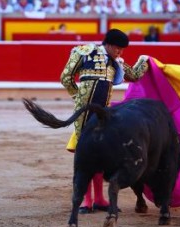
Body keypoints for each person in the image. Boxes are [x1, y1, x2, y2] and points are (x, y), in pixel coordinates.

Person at [60, 28, 149, 214]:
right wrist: (78, 97)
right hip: (85, 112)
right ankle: (86, 200)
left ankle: (100, 199)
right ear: (108, 44)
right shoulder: (83, 52)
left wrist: (145, 60)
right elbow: (65, 77)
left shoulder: (116, 62)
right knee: (84, 152)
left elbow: (134, 76)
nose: (120, 53)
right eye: (118, 49)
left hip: (103, 112)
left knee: (100, 150)